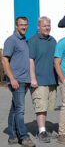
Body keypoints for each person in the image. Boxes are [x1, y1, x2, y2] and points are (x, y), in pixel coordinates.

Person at [1, 17, 36, 147]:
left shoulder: (24, 41)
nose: (24, 27)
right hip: (17, 80)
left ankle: (12, 136)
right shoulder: (11, 40)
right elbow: (5, 60)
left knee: (15, 108)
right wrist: (12, 78)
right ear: (16, 25)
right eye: (21, 25)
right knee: (20, 109)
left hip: (24, 80)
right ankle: (24, 137)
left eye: (26, 25)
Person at [28, 16, 58, 143]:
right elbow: (30, 60)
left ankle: (44, 130)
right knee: (40, 106)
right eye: (45, 26)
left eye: (49, 25)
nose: (47, 28)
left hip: (51, 79)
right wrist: (33, 78)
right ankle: (41, 132)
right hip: (39, 80)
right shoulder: (33, 40)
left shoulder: (53, 40)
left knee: (46, 106)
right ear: (38, 27)